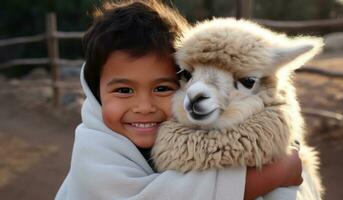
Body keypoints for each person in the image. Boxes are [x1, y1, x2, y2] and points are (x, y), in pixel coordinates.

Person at [56, 1, 303, 199]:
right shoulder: (93, 149)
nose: (144, 107)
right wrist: (275, 173)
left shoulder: (188, 134)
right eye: (123, 91)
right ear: (95, 90)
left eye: (163, 88)